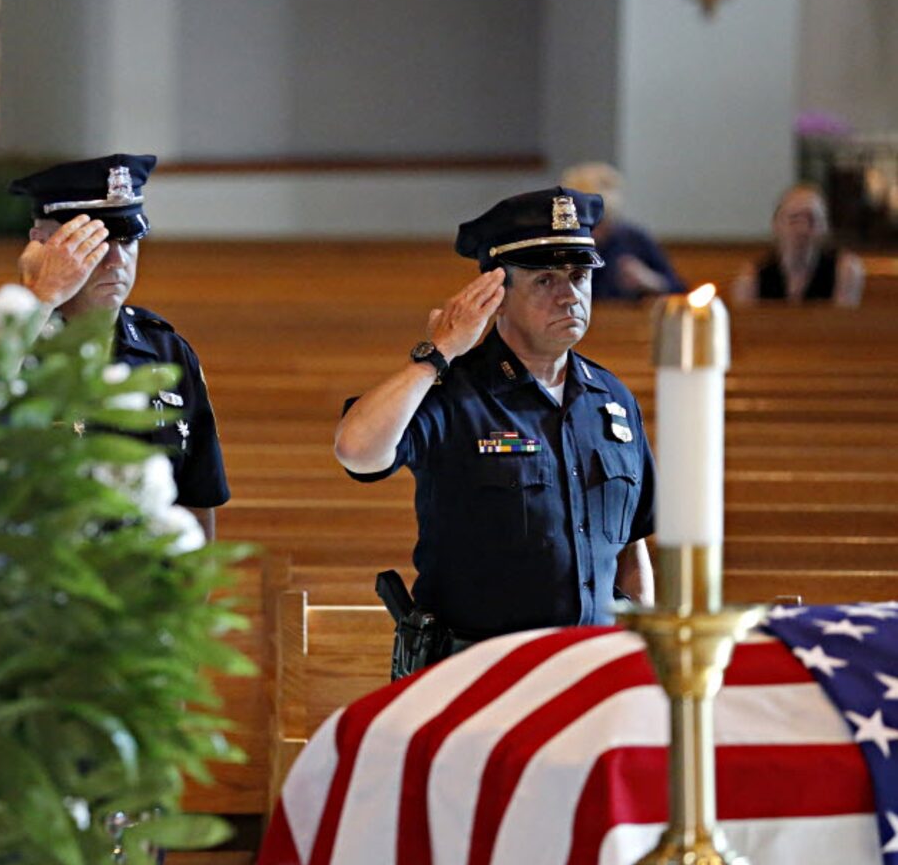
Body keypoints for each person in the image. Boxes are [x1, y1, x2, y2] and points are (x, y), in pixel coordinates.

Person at [334, 187, 655, 675]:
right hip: (477, 675)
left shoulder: (610, 399)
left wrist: (642, 656)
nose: (570, 294)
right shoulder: (455, 391)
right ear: (495, 296)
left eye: (579, 275)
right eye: (546, 279)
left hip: (592, 672)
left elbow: (631, 546)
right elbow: (357, 450)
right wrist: (438, 352)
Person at [8, 154, 229, 539]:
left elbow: (196, 499)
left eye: (127, 239)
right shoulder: (6, 341)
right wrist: (41, 296)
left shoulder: (164, 350)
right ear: (42, 245)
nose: (116, 260)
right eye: (95, 242)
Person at [559, 161, 684, 301]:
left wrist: (649, 280)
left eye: (602, 221)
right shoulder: (560, 243)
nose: (594, 231)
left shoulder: (633, 239)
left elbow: (679, 290)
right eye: (585, 224)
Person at [731, 183, 864, 307]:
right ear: (776, 225)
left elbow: (842, 326)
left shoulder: (844, 270)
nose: (802, 229)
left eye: (811, 219)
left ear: (825, 226)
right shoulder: (752, 277)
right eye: (794, 219)